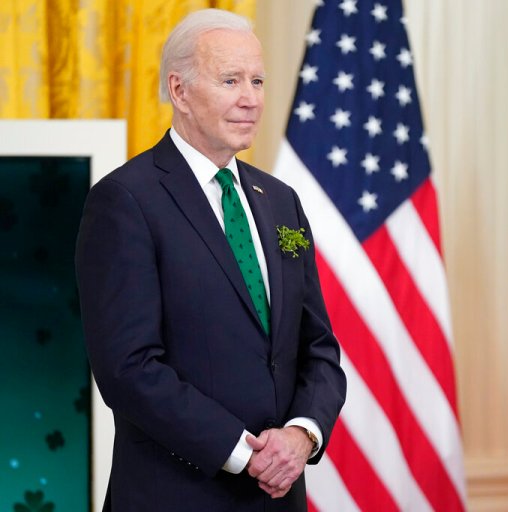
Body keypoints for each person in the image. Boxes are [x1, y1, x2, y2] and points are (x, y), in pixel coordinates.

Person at [75, 8, 346, 511]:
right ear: (179, 91)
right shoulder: (125, 201)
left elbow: (319, 347)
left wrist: (301, 435)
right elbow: (128, 369)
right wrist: (245, 453)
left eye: (258, 80)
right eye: (230, 80)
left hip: (278, 498)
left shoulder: (280, 200)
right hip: (175, 497)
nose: (251, 99)